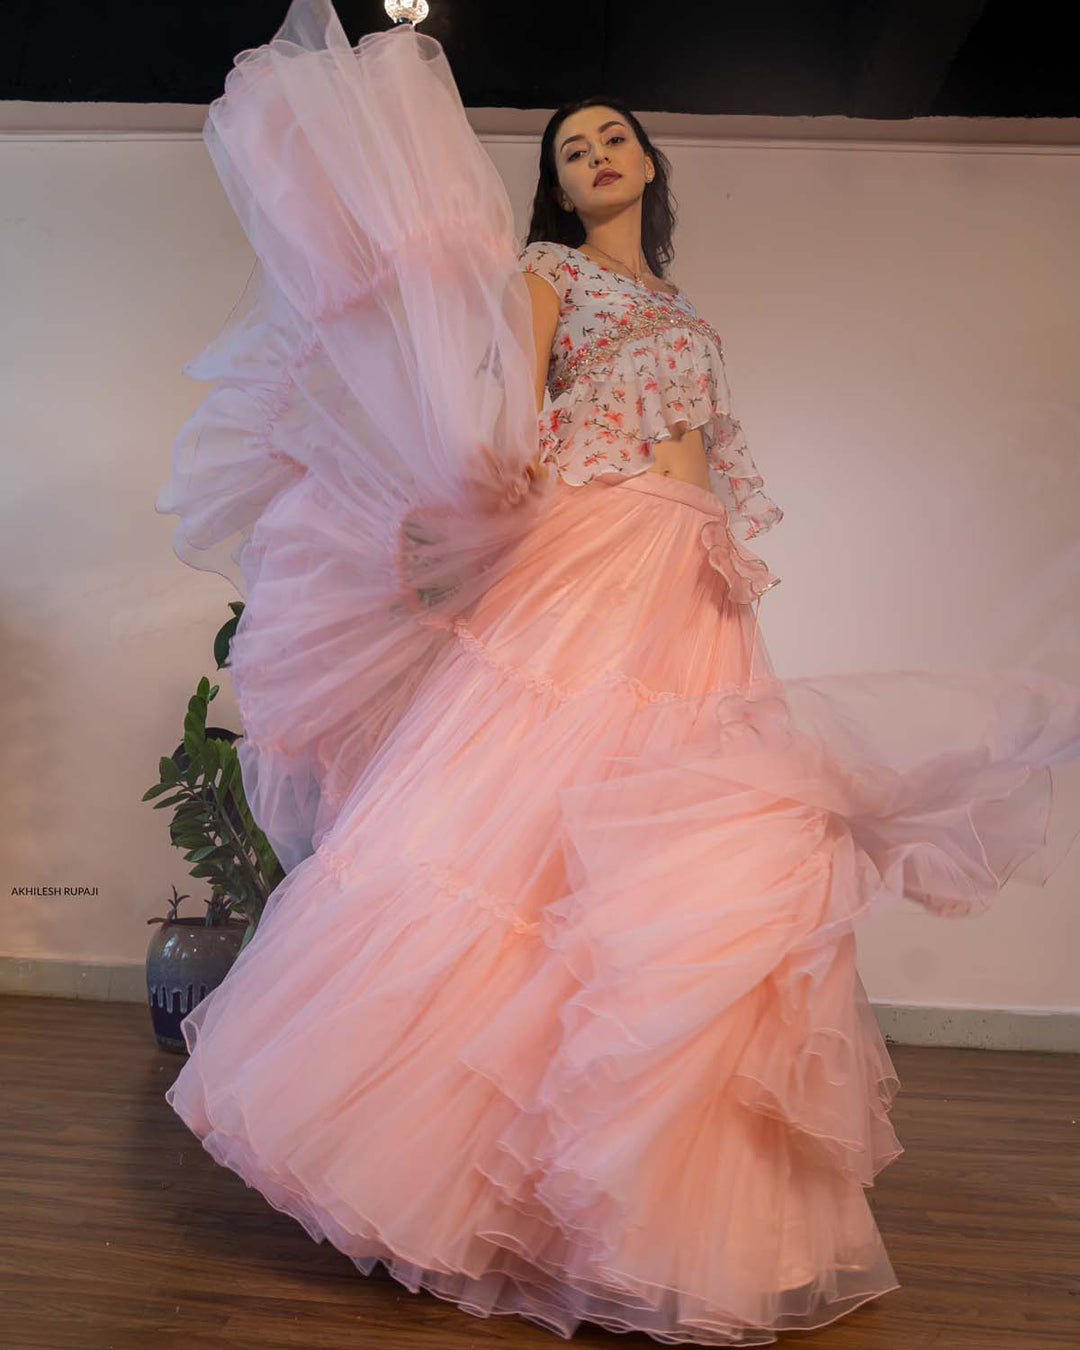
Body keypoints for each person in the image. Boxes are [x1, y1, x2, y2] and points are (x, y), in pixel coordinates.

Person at [157, 1, 1080, 1343]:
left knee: (688, 872)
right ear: (559, 176)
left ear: (649, 165)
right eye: (573, 141)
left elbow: (702, 454)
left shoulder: (681, 309)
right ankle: (462, 1177)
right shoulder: (547, 272)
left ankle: (655, 1201)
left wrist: (716, 558)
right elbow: (518, 419)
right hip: (590, 558)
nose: (594, 150)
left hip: (697, 590)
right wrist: (477, 508)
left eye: (613, 137)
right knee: (527, 829)